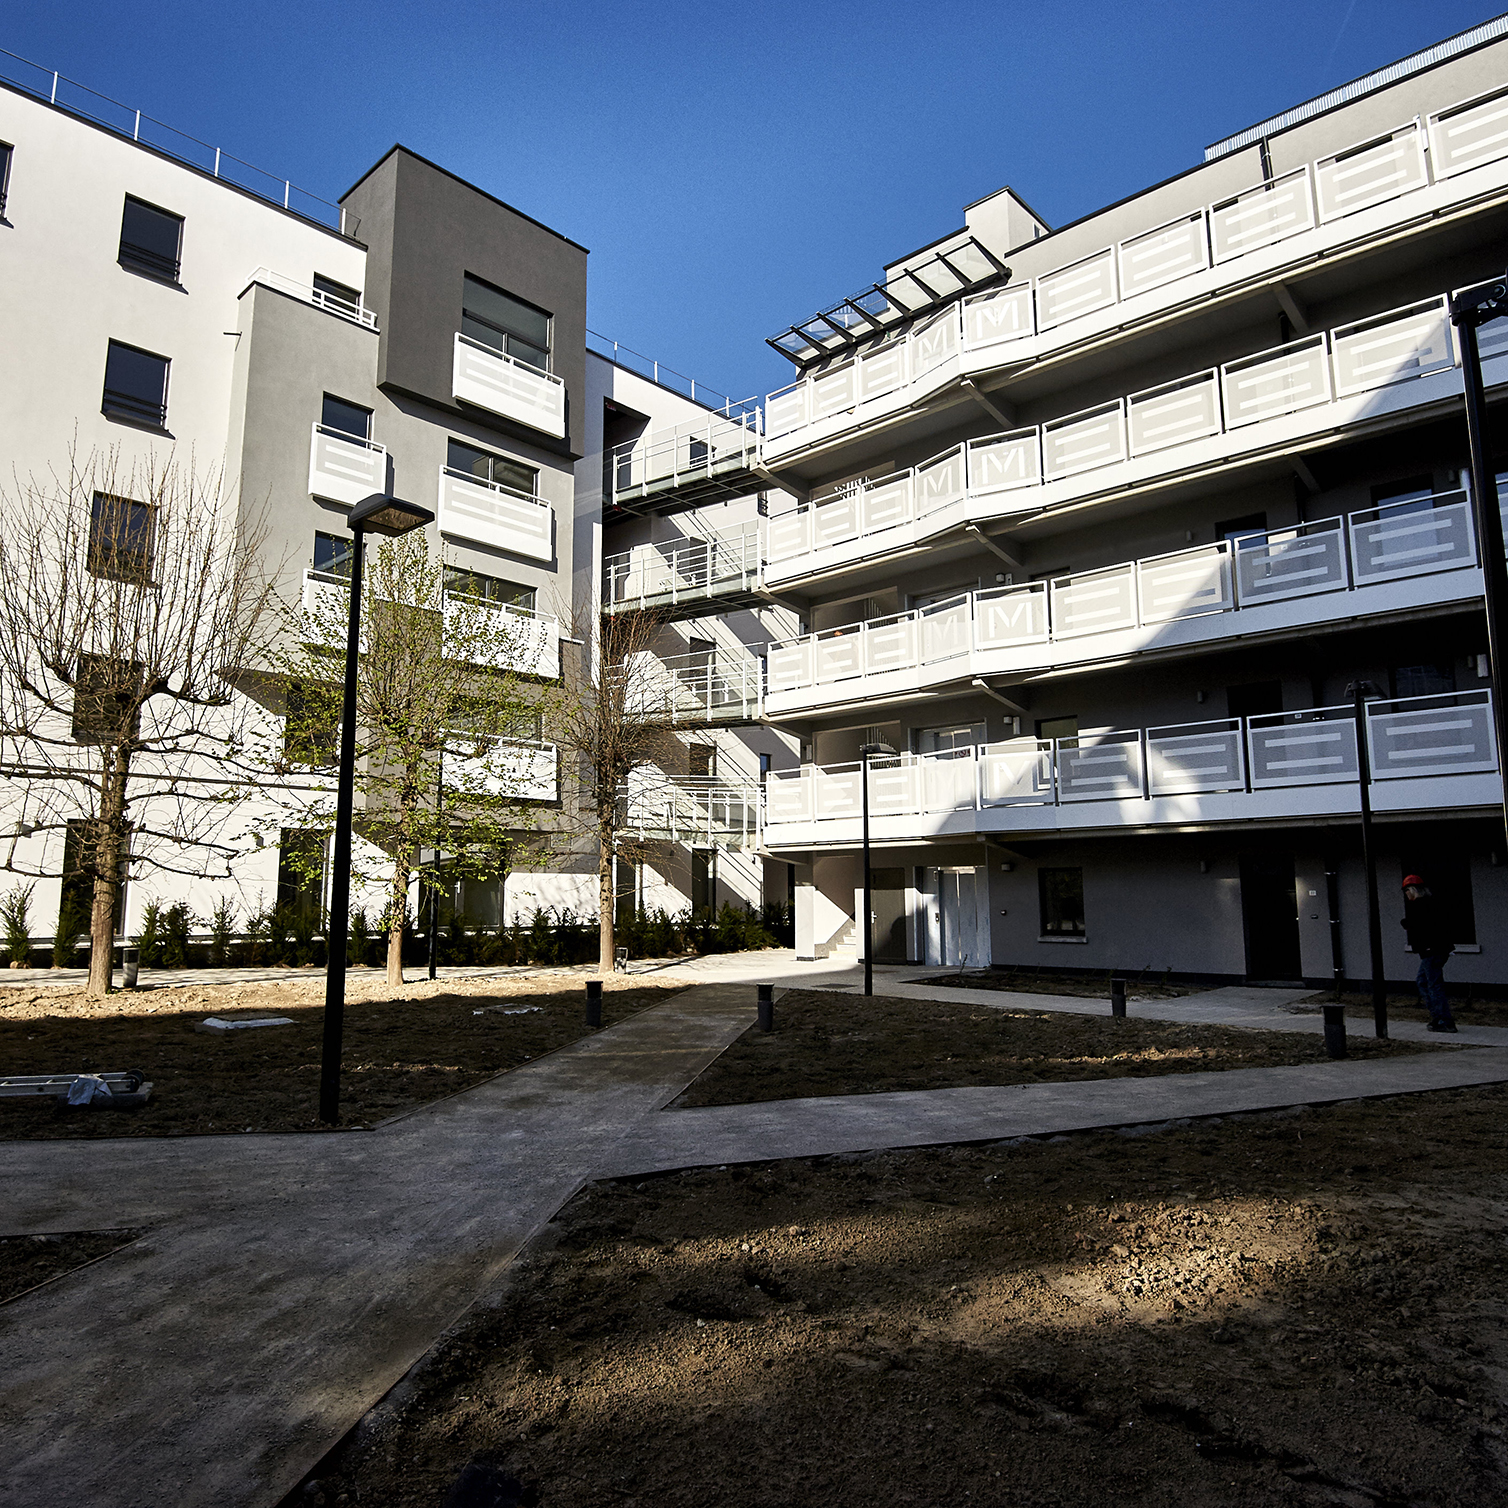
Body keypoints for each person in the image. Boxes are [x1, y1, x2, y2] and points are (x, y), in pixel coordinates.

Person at [1400, 874, 1457, 1032]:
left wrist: (1406, 924)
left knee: (1432, 985)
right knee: (1424, 982)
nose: (1406, 895)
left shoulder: (1419, 906)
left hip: (1430, 951)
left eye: (1406, 891)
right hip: (1438, 950)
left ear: (1412, 890)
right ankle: (1439, 1017)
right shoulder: (1433, 904)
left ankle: (1444, 1020)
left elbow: (1420, 928)